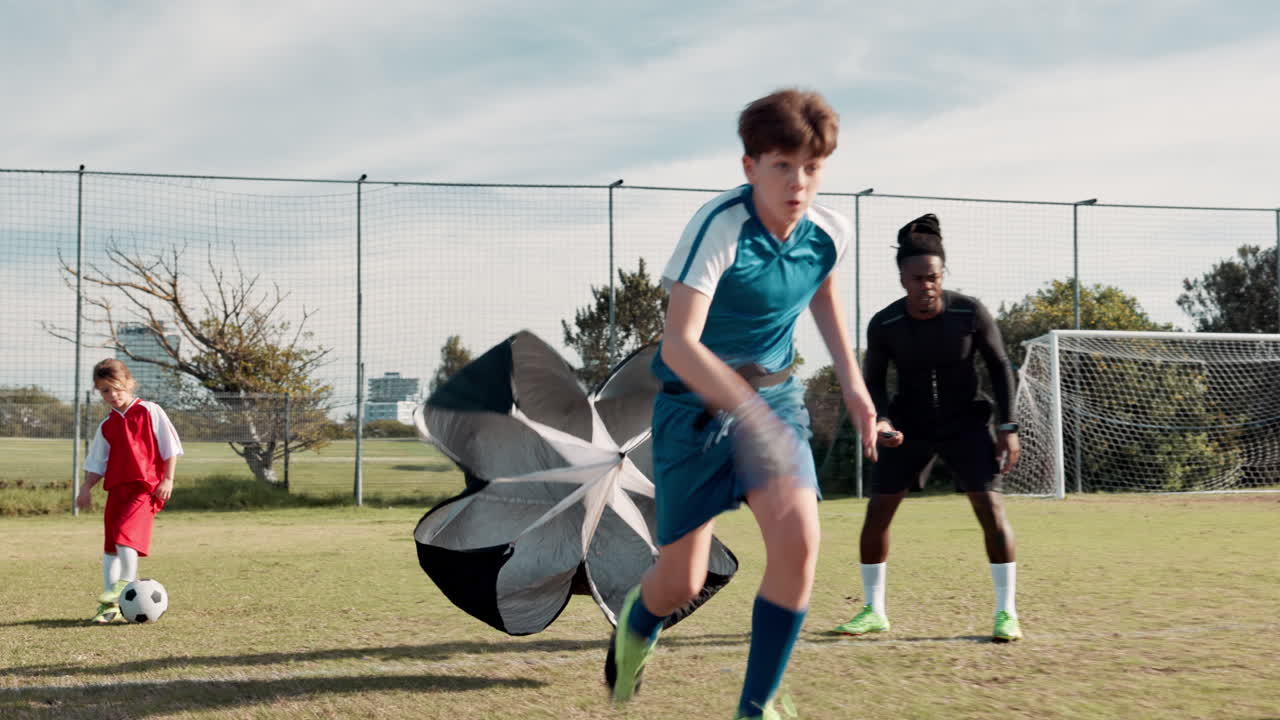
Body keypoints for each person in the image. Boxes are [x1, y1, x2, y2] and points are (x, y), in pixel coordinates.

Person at [604, 88, 878, 720]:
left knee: (799, 545)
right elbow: (678, 345)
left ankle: (754, 708)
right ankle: (634, 625)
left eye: (811, 168)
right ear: (750, 166)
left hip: (776, 403)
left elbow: (824, 293)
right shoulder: (719, 226)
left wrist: (855, 386)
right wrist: (743, 412)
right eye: (782, 165)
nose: (798, 182)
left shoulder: (829, 231)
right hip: (693, 415)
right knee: (682, 583)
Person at [832, 213, 1023, 642]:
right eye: (917, 278)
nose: (927, 285)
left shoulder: (969, 312)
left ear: (943, 274)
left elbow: (1000, 367)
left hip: (967, 424)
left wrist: (1007, 426)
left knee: (990, 510)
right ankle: (873, 610)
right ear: (903, 279)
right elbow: (874, 382)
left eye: (933, 277)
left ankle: (1006, 613)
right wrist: (882, 421)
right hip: (909, 426)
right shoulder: (885, 324)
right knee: (877, 513)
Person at [76, 358, 183, 623]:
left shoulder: (149, 411)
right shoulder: (107, 426)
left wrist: (167, 479)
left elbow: (170, 447)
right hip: (117, 492)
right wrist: (85, 489)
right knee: (111, 548)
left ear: (129, 384)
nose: (112, 395)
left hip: (145, 489)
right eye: (105, 391)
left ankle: (125, 586)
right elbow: (96, 464)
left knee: (125, 538)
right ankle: (109, 606)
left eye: (117, 388)